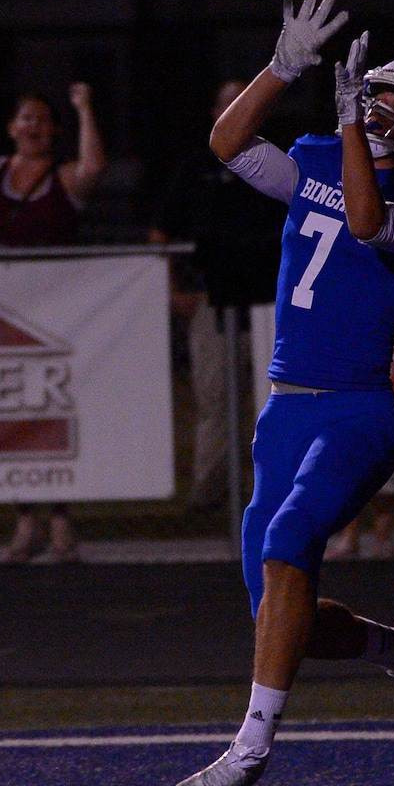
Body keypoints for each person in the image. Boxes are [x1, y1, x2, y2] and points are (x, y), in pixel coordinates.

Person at [169, 0, 394, 786]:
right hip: (285, 408)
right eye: (368, 90)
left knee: (293, 536)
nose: (371, 100)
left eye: (389, 96)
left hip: (356, 410)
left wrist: (348, 131)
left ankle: (249, 748)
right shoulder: (314, 153)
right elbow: (228, 141)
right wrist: (281, 67)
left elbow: (373, 223)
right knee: (278, 600)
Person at [0, 79, 107, 562]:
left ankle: (60, 524)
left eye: (42, 119)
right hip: (3, 319)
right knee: (13, 414)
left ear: (53, 131)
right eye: (25, 118)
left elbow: (94, 166)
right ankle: (24, 522)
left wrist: (84, 106)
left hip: (57, 318)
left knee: (55, 415)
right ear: (12, 128)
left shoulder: (62, 177)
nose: (33, 126)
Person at [149, 79, 286, 513]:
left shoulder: (280, 164)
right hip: (213, 300)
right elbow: (161, 232)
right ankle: (211, 496)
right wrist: (174, 289)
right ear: (215, 114)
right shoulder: (194, 169)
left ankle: (275, 490)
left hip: (271, 303)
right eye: (229, 104)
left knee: (277, 399)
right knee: (214, 397)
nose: (239, 110)